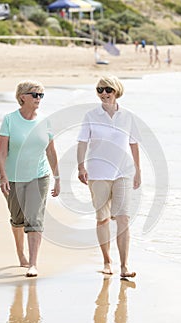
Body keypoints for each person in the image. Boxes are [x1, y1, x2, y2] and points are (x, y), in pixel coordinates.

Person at [77, 75, 141, 278]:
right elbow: (82, 142)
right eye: (100, 90)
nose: (104, 93)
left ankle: (124, 266)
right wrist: (80, 166)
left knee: (123, 218)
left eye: (108, 90)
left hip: (123, 172)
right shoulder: (90, 115)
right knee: (103, 219)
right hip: (97, 173)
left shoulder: (128, 116)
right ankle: (107, 261)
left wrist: (138, 170)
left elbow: (133, 144)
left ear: (116, 91)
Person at [0, 80, 60, 277]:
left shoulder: (45, 121)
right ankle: (20, 252)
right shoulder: (9, 120)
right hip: (14, 178)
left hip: (39, 177)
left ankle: (33, 263)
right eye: (35, 95)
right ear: (22, 97)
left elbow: (51, 151)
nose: (38, 99)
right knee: (18, 219)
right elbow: (0, 153)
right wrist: (2, 176)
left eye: (41, 95)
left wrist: (57, 177)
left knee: (35, 219)